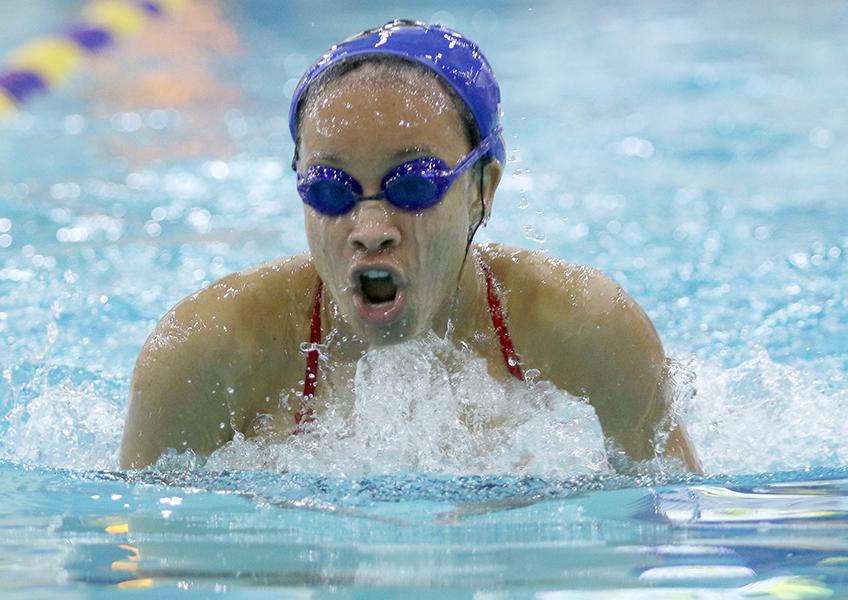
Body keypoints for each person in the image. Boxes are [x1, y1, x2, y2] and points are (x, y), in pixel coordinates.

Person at [120, 20, 700, 472]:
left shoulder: (587, 331)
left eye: (414, 184)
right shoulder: (207, 355)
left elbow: (673, 530)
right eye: (329, 188)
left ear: (482, 189)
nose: (371, 226)